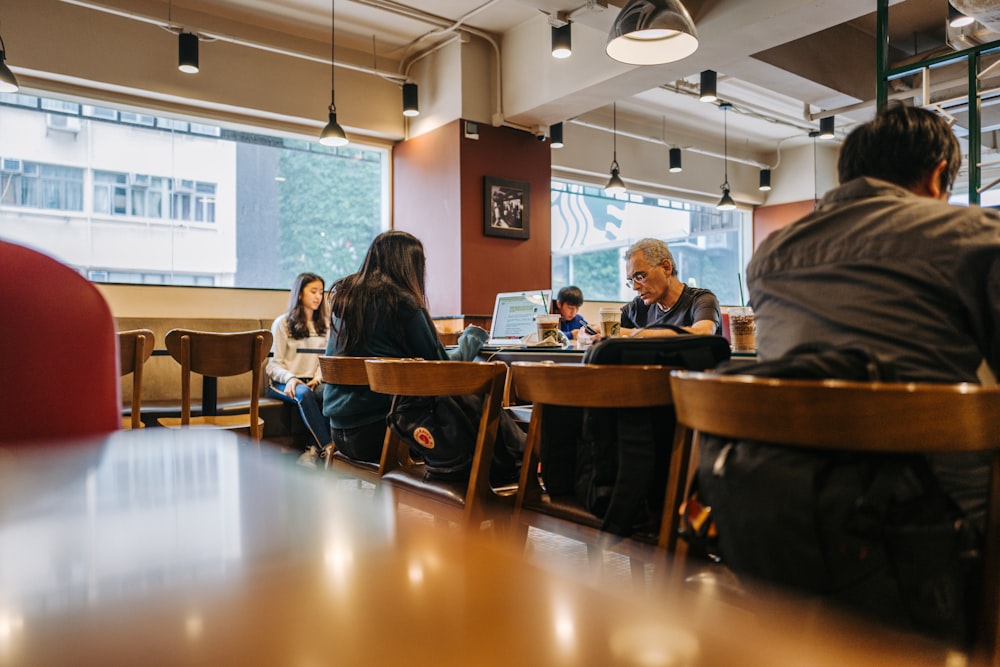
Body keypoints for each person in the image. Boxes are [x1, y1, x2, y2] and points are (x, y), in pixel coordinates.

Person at [737, 102, 1000, 641]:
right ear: (935, 176)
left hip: (781, 512)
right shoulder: (971, 234)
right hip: (932, 527)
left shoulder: (769, 254)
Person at [323, 230, 523, 479]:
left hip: (338, 432)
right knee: (477, 402)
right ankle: (511, 468)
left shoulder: (344, 298)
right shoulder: (402, 303)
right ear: (411, 265)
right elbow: (440, 370)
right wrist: (472, 338)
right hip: (384, 434)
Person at [266, 272, 331, 468]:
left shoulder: (326, 326)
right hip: (284, 382)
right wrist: (291, 378)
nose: (318, 296)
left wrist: (318, 379)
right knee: (304, 394)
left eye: (321, 292)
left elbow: (325, 361)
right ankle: (329, 448)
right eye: (313, 291)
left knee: (331, 394)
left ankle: (312, 450)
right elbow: (272, 364)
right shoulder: (282, 323)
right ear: (300, 294)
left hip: (313, 381)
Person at [619, 238, 721, 337]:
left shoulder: (702, 300)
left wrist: (626, 333)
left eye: (640, 277)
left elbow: (703, 334)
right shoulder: (637, 307)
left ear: (666, 268)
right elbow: (605, 328)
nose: (635, 287)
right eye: (631, 281)